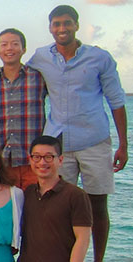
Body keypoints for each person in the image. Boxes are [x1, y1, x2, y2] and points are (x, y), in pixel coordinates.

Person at [27, 6, 126, 260]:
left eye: (67, 23)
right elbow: (19, 74)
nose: (62, 29)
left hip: (94, 140)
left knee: (97, 204)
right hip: (60, 147)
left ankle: (98, 258)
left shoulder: (99, 58)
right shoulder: (41, 57)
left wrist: (123, 145)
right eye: (57, 24)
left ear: (77, 25)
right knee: (61, 205)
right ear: (50, 28)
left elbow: (116, 101)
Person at [0, 28, 46, 190]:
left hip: (33, 161)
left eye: (15, 44)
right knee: (8, 212)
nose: (9, 48)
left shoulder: (38, 78)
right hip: (2, 162)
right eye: (4, 45)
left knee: (36, 210)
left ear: (23, 49)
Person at [19, 136, 92, 262]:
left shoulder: (75, 195)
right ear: (30, 160)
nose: (42, 162)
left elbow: (83, 239)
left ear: (61, 160)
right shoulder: (27, 193)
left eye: (49, 157)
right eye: (36, 157)